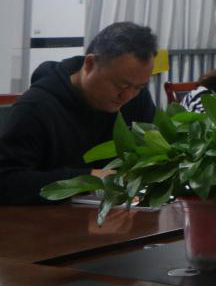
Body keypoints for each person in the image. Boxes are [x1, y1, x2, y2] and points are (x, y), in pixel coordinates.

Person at [0, 22, 158, 206]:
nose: (127, 96)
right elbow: (6, 181)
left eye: (138, 87)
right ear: (89, 64)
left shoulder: (136, 100)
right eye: (121, 85)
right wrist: (86, 179)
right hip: (47, 220)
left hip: (119, 214)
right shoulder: (36, 107)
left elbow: (154, 153)